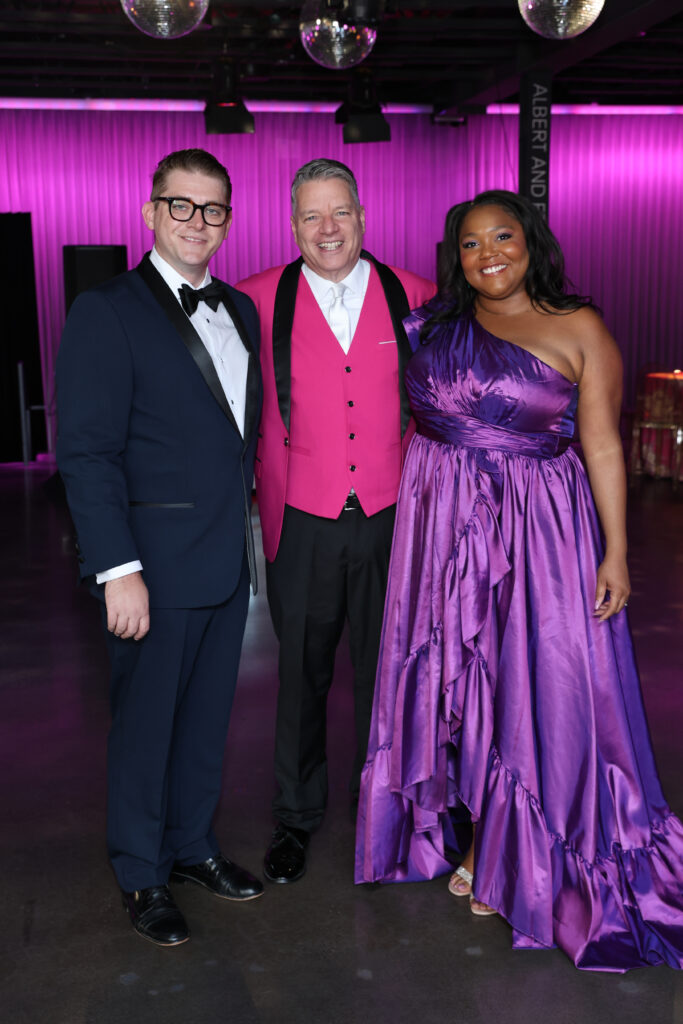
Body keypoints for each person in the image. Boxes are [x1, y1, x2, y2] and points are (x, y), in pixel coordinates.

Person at [355, 189, 683, 971]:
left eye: (502, 236)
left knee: (538, 684)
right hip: (440, 522)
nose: (487, 253)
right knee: (459, 680)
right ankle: (474, 839)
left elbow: (601, 445)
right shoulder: (436, 321)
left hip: (539, 528)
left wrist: (616, 551)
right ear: (455, 256)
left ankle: (527, 855)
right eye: (469, 243)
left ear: (531, 242)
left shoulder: (579, 328)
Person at [56, 148, 264, 947]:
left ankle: (192, 848)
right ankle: (140, 872)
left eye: (213, 209)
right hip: (149, 564)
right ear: (151, 212)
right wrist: (118, 570)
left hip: (222, 561)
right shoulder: (106, 310)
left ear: (227, 220)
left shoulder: (240, 311)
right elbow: (87, 452)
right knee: (146, 727)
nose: (197, 223)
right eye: (182, 206)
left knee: (206, 722)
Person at [237, 158, 435, 884]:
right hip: (303, 515)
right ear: (293, 225)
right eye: (312, 216)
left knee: (393, 674)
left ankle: (392, 809)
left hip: (392, 516)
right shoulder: (256, 298)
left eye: (340, 212)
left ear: (362, 213)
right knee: (300, 676)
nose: (327, 229)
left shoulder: (414, 294)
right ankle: (295, 816)